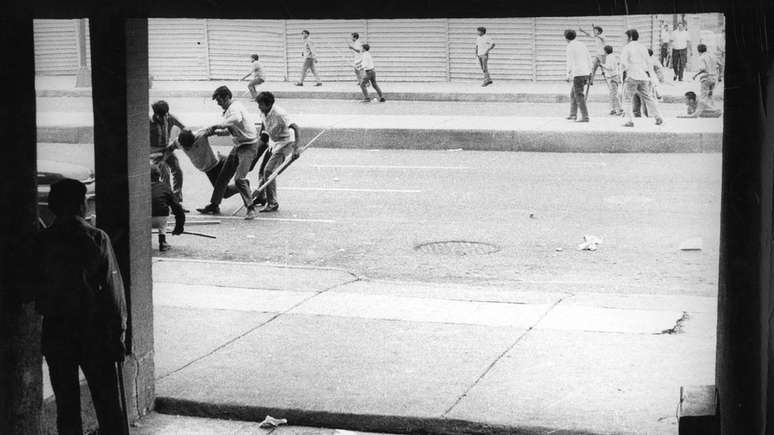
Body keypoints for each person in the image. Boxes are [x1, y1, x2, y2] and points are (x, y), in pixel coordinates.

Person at [27, 178, 128, 434]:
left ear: (52, 205)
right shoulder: (96, 238)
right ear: (81, 205)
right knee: (108, 404)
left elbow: (30, 286)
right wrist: (118, 333)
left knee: (66, 405)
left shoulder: (42, 241)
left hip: (56, 329)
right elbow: (112, 294)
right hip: (93, 330)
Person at [196, 86, 260, 219]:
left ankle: (251, 208)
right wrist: (217, 132)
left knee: (239, 179)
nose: (218, 104)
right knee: (222, 177)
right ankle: (214, 205)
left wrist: (217, 126)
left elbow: (235, 119)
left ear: (227, 97)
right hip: (238, 146)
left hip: (249, 146)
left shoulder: (235, 107)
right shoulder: (227, 111)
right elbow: (231, 128)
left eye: (219, 100)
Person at [255, 91, 300, 213]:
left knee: (269, 171)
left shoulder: (280, 113)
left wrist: (296, 148)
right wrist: (261, 140)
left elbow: (296, 127)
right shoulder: (263, 112)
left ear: (268, 104)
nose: (259, 107)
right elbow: (264, 126)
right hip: (273, 142)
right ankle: (261, 196)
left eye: (261, 105)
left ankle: (273, 203)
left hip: (285, 143)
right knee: (262, 170)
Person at [620, 28, 664, 127]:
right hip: (643, 76)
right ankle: (658, 117)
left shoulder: (627, 48)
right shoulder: (643, 47)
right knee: (648, 98)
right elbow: (649, 62)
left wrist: (622, 76)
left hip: (632, 76)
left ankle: (629, 120)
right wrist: (651, 76)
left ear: (630, 37)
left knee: (627, 99)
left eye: (626, 37)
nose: (625, 39)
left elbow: (624, 64)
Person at [150, 100, 185, 204]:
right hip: (154, 152)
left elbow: (184, 128)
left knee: (178, 171)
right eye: (163, 116)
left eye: (166, 115)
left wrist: (178, 140)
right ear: (156, 115)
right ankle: (168, 200)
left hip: (167, 149)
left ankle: (176, 199)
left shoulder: (169, 117)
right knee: (165, 173)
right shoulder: (148, 122)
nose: (165, 118)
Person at [151, 165, 185, 251]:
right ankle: (162, 242)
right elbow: (177, 208)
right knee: (164, 210)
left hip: (144, 219)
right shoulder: (165, 187)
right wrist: (178, 227)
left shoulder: (140, 187)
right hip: (160, 218)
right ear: (159, 175)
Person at [564, 29, 592, 122]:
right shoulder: (582, 45)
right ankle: (573, 114)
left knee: (578, 94)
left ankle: (585, 116)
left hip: (578, 73)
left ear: (566, 38)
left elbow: (570, 62)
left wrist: (567, 75)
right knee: (573, 93)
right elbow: (589, 58)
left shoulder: (570, 47)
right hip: (585, 72)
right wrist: (590, 72)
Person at [600, 45, 623, 116]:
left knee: (613, 95)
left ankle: (619, 110)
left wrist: (602, 65)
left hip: (612, 78)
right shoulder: (612, 57)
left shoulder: (610, 57)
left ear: (606, 51)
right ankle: (614, 109)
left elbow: (610, 67)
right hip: (612, 77)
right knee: (612, 94)